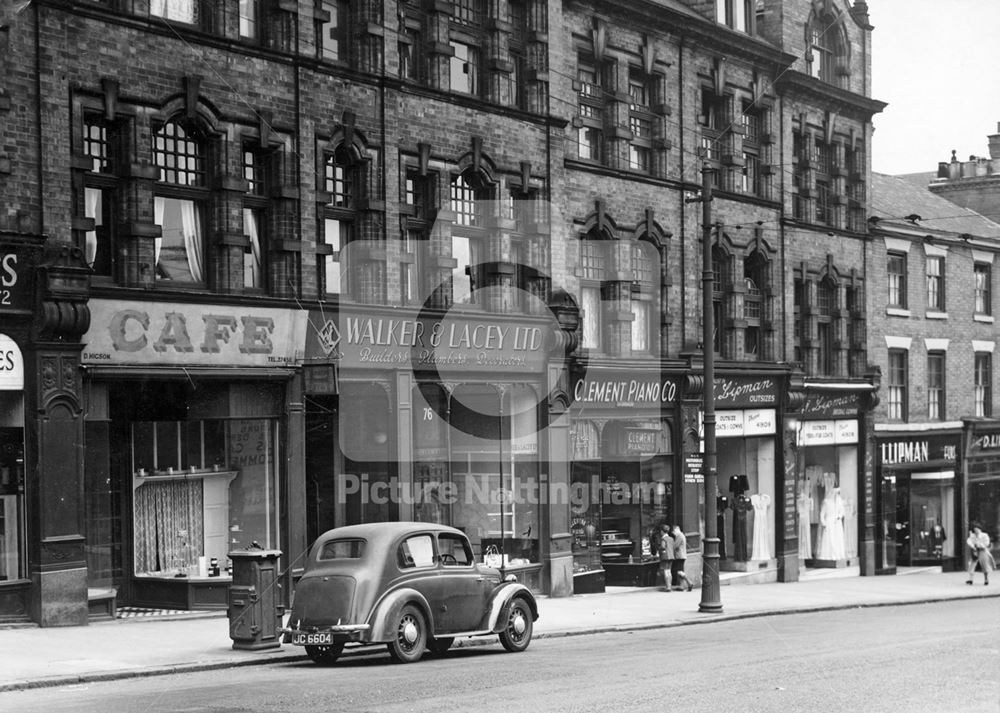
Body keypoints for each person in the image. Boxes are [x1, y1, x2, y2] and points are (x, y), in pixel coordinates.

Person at [671, 525, 694, 591]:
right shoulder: (681, 535)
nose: (673, 533)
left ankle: (689, 582)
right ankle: (682, 586)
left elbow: (675, 546)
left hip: (679, 556)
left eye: (673, 531)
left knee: (679, 571)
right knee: (680, 571)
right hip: (681, 555)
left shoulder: (679, 536)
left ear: (676, 530)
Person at [658, 523, 674, 591]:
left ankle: (668, 587)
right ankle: (670, 585)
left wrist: (659, 549)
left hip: (665, 556)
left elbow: (663, 547)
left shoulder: (663, 539)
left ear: (662, 531)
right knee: (669, 571)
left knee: (665, 571)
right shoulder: (671, 538)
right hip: (671, 556)